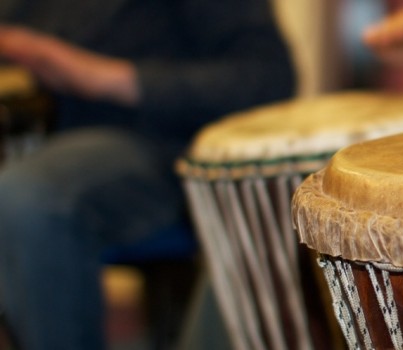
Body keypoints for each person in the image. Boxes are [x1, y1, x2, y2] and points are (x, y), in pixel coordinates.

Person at [0, 1, 295, 349]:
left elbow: (268, 77)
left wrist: (101, 77)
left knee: (26, 198)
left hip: (162, 145)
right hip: (41, 144)